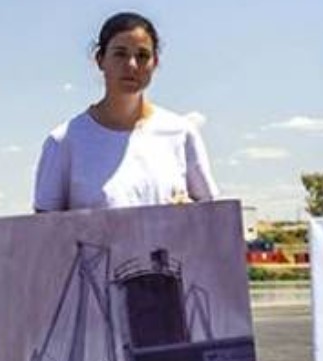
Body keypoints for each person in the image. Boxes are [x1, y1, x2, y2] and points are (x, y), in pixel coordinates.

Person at [32, 12, 218, 212]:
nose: (131, 65)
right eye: (120, 54)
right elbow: (46, 231)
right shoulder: (64, 142)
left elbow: (212, 216)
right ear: (100, 60)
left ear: (154, 63)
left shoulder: (181, 134)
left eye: (142, 55)